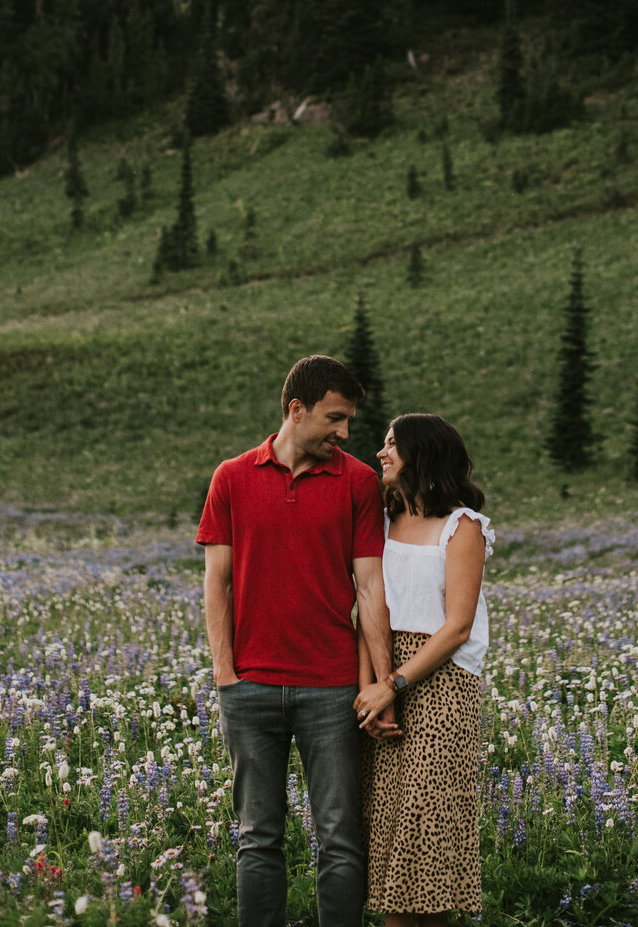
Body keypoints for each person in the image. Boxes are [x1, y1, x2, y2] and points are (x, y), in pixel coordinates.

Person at [198, 354, 394, 927]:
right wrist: (224, 675)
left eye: (349, 421)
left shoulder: (357, 481)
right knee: (258, 837)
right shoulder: (231, 477)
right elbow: (218, 582)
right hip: (249, 686)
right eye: (334, 418)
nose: (344, 431)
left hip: (332, 688)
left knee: (339, 837)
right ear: (296, 409)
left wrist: (382, 683)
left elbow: (370, 586)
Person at [354, 413, 493, 926]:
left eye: (393, 445)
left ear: (423, 455)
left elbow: (456, 626)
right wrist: (370, 687)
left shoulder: (463, 527)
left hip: (442, 683)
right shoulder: (382, 521)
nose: (381, 453)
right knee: (389, 827)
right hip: (386, 670)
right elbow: (369, 608)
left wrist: (392, 684)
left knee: (424, 828)